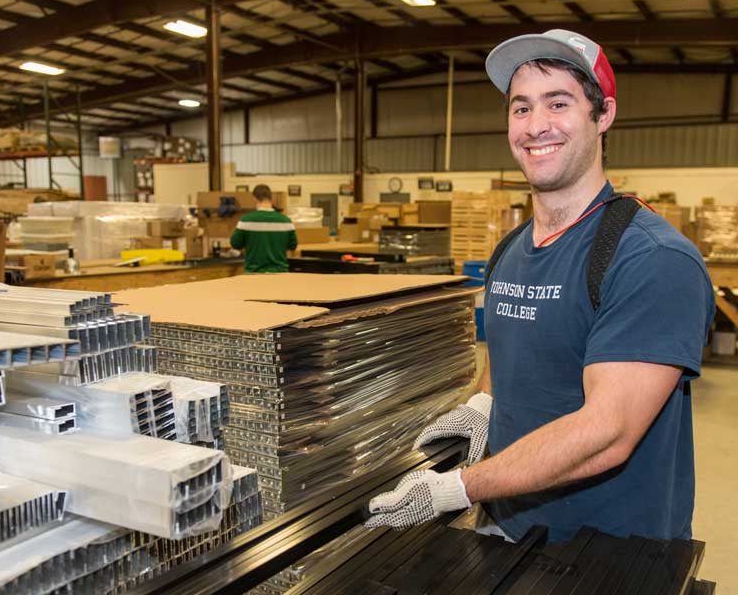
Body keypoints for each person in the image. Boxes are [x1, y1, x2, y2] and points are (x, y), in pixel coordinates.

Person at [365, 29, 715, 543]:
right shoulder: (511, 249)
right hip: (507, 531)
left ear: (604, 115)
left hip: (609, 555)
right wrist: (481, 406)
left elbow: (608, 434)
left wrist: (456, 488)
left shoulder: (651, 258)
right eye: (521, 108)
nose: (536, 126)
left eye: (559, 103)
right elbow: (514, 350)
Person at [229, 184, 297, 273]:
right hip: (280, 273)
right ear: (271, 198)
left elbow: (235, 244)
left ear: (254, 198)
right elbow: (293, 245)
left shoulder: (246, 220)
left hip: (254, 273)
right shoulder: (286, 221)